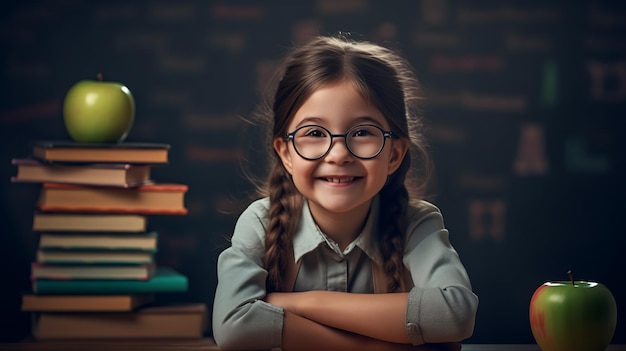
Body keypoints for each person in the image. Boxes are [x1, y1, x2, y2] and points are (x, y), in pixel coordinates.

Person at [212, 35, 478, 351]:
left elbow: (456, 314)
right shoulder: (260, 222)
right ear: (286, 154)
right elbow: (233, 326)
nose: (338, 154)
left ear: (394, 154)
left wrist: (303, 304)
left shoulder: (417, 223)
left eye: (363, 132)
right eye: (313, 133)